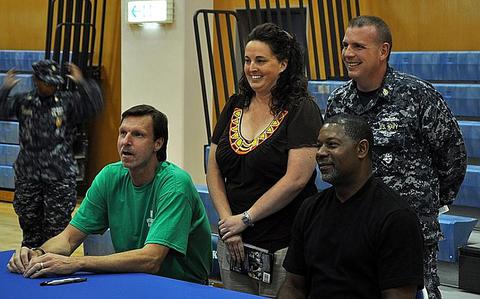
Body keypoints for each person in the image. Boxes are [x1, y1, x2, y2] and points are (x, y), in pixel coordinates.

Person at [325, 16, 467, 299]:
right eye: (345, 45)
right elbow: (333, 162)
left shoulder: (418, 95)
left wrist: (426, 204)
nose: (348, 54)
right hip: (355, 232)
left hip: (410, 233)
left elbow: (453, 159)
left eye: (358, 46)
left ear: (383, 51)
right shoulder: (338, 101)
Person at [7, 105, 212, 284]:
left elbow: (151, 259)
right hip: (133, 280)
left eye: (137, 135)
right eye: (123, 133)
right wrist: (37, 254)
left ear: (158, 143)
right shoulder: (109, 176)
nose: (126, 141)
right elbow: (68, 239)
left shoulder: (175, 184)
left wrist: (76, 263)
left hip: (181, 287)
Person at [206, 23, 323, 297]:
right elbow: (213, 169)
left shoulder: (301, 109)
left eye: (261, 60)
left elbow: (296, 179)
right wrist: (229, 224)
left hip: (283, 244)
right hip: (233, 241)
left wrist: (246, 219)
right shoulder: (234, 104)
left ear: (282, 64)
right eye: (247, 61)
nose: (251, 68)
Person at [278, 114, 424, 299]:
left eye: (331, 144)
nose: (320, 153)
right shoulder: (310, 208)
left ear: (361, 149)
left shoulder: (396, 217)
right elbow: (293, 286)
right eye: (319, 145)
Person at [0, 60, 103, 249]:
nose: (51, 86)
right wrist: (5, 88)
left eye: (54, 82)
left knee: (57, 230)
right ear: (36, 80)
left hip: (59, 175)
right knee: (30, 227)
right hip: (29, 174)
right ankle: (30, 264)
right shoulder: (24, 101)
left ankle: (53, 265)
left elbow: (95, 106)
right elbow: (2, 110)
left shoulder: (67, 101)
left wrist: (82, 82)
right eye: (46, 82)